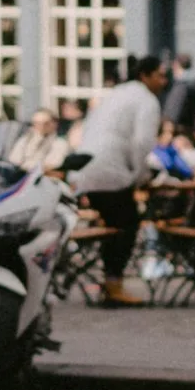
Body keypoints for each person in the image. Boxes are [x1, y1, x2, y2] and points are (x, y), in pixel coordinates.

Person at [66, 50, 167, 303]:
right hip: (110, 170)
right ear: (145, 76)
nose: (163, 82)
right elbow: (142, 142)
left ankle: (109, 282)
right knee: (127, 223)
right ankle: (113, 285)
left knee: (115, 224)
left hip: (87, 168)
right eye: (160, 76)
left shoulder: (116, 95)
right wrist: (140, 175)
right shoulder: (147, 100)